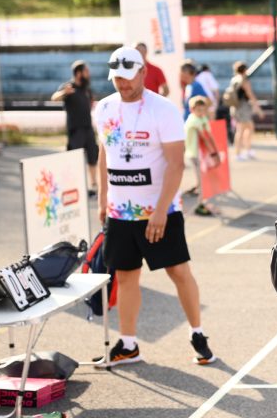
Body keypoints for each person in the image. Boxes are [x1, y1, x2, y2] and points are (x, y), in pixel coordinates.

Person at [91, 46, 215, 368]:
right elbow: (104, 154)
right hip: (120, 213)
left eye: (128, 78)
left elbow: (176, 164)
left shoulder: (164, 110)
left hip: (160, 211)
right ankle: (129, 344)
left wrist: (161, 210)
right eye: (117, 78)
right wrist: (102, 198)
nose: (123, 84)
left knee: (178, 271)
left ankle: (197, 333)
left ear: (143, 72)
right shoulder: (104, 108)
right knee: (126, 275)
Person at [51, 60, 98, 195]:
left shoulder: (86, 89)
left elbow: (90, 102)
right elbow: (54, 98)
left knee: (92, 157)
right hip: (75, 130)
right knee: (75, 159)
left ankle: (93, 185)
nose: (88, 74)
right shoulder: (68, 87)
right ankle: (77, 186)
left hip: (88, 128)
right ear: (78, 73)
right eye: (86, 71)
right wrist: (63, 93)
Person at [183, 96, 218, 216]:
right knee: (202, 180)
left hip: (201, 154)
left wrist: (215, 150)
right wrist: (213, 153)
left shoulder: (202, 118)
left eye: (203, 110)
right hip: (194, 153)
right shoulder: (194, 120)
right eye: (199, 110)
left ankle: (201, 199)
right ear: (192, 109)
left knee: (202, 179)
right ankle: (199, 205)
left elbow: (209, 134)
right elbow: (204, 137)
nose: (202, 113)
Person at [226, 61, 261, 161]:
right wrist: (257, 108)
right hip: (243, 107)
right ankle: (239, 152)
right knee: (242, 129)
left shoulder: (234, 80)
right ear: (245, 70)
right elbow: (250, 94)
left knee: (246, 128)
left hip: (235, 107)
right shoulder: (244, 80)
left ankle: (247, 150)